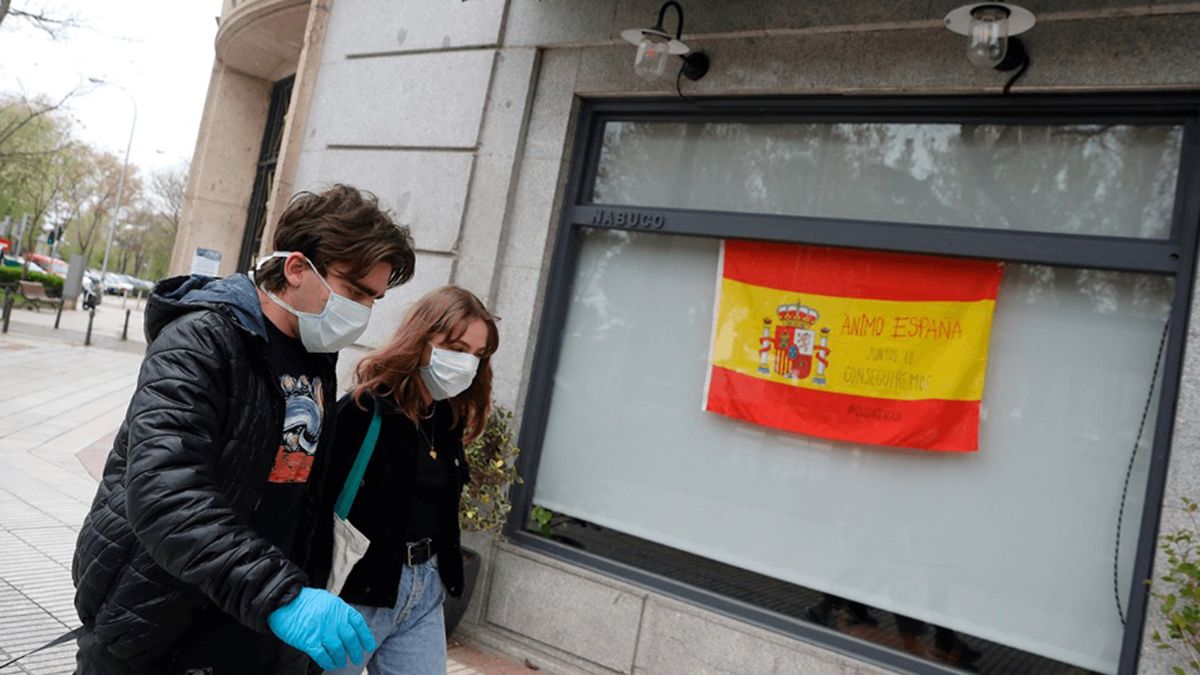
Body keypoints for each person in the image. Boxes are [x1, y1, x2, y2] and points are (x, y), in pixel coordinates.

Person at [71, 185, 416, 674]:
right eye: (356, 291)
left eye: (374, 298)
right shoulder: (199, 340)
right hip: (161, 620)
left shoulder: (317, 351)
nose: (363, 310)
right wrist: (281, 595)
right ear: (297, 268)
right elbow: (164, 492)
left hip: (254, 626)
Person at [314, 286, 499, 674]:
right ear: (422, 338)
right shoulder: (364, 409)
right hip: (357, 593)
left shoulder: (447, 419)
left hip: (424, 590)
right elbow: (314, 502)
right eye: (456, 347)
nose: (467, 364)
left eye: (477, 356)